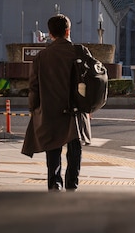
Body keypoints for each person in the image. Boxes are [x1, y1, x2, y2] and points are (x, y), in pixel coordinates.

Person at [22, 14, 88, 192]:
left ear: (50, 34)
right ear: (68, 31)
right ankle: (72, 185)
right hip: (74, 110)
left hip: (50, 111)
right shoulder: (79, 51)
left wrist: (33, 108)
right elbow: (94, 80)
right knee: (75, 148)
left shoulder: (42, 57)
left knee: (53, 148)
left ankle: (54, 184)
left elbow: (33, 87)